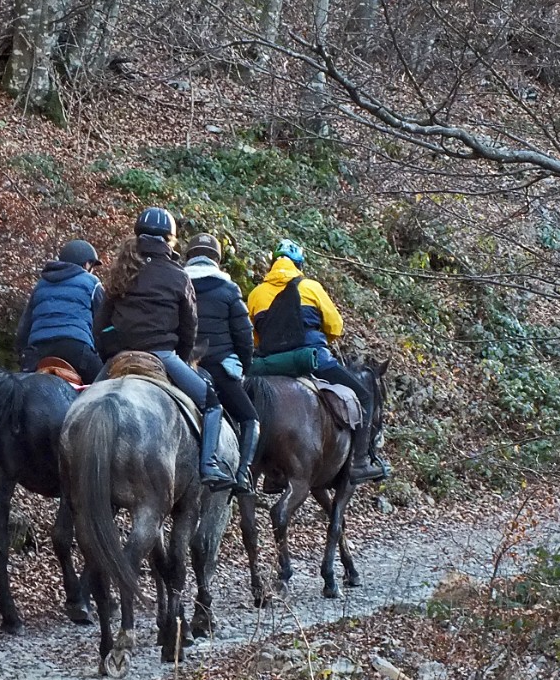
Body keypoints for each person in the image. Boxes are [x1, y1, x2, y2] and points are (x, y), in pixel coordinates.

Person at [96, 207, 235, 490]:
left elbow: (100, 324)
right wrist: (182, 359)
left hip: (119, 357)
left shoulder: (121, 270)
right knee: (211, 403)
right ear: (170, 241)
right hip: (162, 355)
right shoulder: (178, 276)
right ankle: (208, 465)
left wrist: (110, 355)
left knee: (78, 405)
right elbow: (189, 328)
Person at [246, 239, 387, 484]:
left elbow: (255, 337)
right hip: (313, 359)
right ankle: (360, 462)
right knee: (363, 396)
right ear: (299, 264)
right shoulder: (310, 287)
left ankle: (267, 472)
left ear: (272, 264)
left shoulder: (256, 294)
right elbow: (335, 326)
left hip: (271, 366)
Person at [183, 234, 260, 493]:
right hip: (218, 369)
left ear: (189, 256)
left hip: (184, 367)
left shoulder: (177, 284)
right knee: (250, 418)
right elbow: (244, 337)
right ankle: (241, 475)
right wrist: (243, 369)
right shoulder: (228, 290)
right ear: (217, 259)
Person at [15, 239, 105, 383]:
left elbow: (24, 328)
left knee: (17, 394)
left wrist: (24, 356)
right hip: (75, 348)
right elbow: (103, 322)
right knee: (105, 389)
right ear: (86, 264)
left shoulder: (40, 285)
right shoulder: (92, 282)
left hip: (38, 350)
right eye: (92, 265)